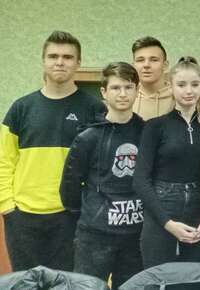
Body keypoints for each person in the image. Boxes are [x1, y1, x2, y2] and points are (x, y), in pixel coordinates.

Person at [0, 31, 105, 271]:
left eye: (68, 57)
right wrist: (7, 207)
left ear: (78, 63)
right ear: (43, 61)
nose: (60, 62)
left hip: (72, 215)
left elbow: (101, 165)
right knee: (27, 285)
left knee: (67, 284)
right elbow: (4, 161)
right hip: (22, 216)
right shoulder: (21, 108)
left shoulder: (94, 109)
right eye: (53, 56)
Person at [60, 62, 145, 289]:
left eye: (128, 87)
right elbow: (69, 185)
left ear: (137, 90)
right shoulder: (88, 136)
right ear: (104, 92)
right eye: (116, 88)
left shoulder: (148, 132)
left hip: (136, 236)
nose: (123, 94)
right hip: (95, 236)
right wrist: (91, 212)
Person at [133, 56, 200, 268]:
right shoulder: (155, 127)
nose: (188, 90)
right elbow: (140, 180)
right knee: (157, 279)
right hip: (161, 215)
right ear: (170, 86)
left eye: (194, 84)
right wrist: (168, 224)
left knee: (195, 281)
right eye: (181, 84)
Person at [131, 36, 174, 120]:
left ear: (165, 65)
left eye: (154, 60)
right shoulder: (126, 97)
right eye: (140, 60)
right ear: (133, 66)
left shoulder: (179, 97)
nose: (146, 65)